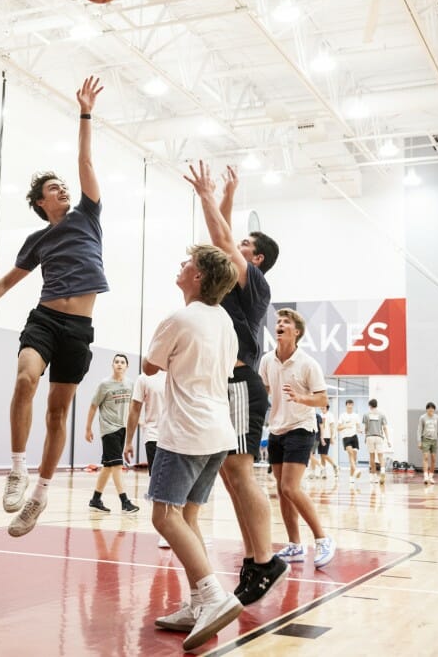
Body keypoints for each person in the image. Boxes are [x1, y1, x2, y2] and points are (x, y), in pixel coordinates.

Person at [0, 76, 107, 538]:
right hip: (44, 317)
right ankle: (17, 469)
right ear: (41, 204)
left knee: (57, 413)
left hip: (79, 328)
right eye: (53, 188)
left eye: (64, 185)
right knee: (25, 378)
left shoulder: (88, 215)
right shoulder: (37, 239)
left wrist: (85, 113)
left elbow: (84, 159)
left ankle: (40, 495)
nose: (63, 188)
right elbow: (8, 281)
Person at [143, 244, 257, 650]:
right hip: (218, 433)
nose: (181, 264)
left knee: (164, 516)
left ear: (199, 277)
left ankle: (212, 595)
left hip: (185, 432)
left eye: (187, 263)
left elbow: (149, 366)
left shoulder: (179, 318)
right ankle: (195, 604)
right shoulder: (225, 320)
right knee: (188, 517)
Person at [184, 161, 281, 607]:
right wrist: (224, 196)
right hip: (225, 385)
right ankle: (253, 559)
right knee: (229, 474)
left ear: (255, 260)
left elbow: (223, 241)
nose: (235, 243)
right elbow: (225, 240)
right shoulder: (236, 285)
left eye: (246, 245)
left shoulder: (255, 284)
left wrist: (207, 193)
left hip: (241, 383)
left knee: (240, 472)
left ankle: (265, 560)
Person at [266, 308, 335, 569]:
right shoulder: (267, 361)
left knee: (290, 488)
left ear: (296, 332)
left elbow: (322, 399)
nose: (280, 325)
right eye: (279, 322)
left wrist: (300, 398)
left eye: (286, 322)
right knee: (283, 493)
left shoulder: (308, 363)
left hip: (301, 428)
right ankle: (295, 545)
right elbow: (263, 391)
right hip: (276, 430)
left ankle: (323, 538)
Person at [85, 353, 138, 514]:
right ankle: (125, 502)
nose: (119, 364)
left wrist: (134, 424)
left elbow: (131, 408)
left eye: (122, 362)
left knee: (108, 467)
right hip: (109, 430)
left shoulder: (130, 384)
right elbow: (93, 406)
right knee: (116, 465)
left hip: (122, 429)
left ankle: (95, 499)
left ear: (127, 366)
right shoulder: (104, 384)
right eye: (116, 362)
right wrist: (88, 428)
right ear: (112, 365)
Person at [125, 369, 167, 545]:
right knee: (160, 483)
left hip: (178, 436)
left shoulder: (178, 373)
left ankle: (155, 498)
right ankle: (165, 532)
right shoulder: (144, 378)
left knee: (172, 486)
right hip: (154, 436)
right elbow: (134, 410)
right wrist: (128, 441)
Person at [362, 399, 389, 485]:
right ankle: (383, 471)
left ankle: (374, 477)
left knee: (372, 456)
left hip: (370, 437)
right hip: (379, 437)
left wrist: (365, 436)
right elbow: (385, 428)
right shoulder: (381, 414)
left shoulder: (366, 414)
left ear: (370, 405)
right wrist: (388, 440)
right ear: (376, 405)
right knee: (380, 456)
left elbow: (365, 428)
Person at [416, 402, 438, 485]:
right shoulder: (422, 418)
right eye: (430, 409)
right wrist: (419, 441)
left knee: (433, 458)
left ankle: (431, 476)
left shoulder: (437, 417)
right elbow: (419, 430)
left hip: (434, 440)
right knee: (425, 457)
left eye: (433, 409)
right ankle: (425, 476)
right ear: (427, 409)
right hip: (425, 439)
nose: (431, 411)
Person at [338, 399, 363, 481]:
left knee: (354, 457)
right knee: (350, 453)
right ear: (346, 405)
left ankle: (351, 477)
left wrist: (360, 430)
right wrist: (346, 426)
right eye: (348, 404)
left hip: (354, 437)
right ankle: (356, 470)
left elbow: (358, 427)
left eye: (351, 404)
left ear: (353, 405)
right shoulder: (342, 415)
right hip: (346, 437)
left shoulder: (356, 415)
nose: (350, 406)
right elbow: (338, 428)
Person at [317, 405, 337, 478]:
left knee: (324, 454)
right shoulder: (319, 415)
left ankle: (334, 465)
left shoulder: (330, 415)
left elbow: (332, 427)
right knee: (322, 455)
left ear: (327, 407)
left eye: (323, 406)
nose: (322, 407)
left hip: (327, 437)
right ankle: (324, 472)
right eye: (321, 406)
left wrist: (332, 437)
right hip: (320, 437)